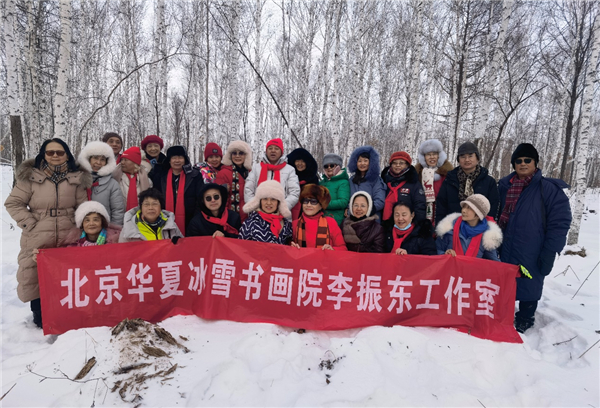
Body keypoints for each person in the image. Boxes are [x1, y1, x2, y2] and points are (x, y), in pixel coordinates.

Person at [4, 138, 91, 328]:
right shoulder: (31, 177)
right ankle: (39, 314)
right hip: (38, 234)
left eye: (60, 152)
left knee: (66, 275)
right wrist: (30, 223)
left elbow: (83, 207)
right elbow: (13, 203)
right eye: (50, 152)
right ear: (43, 155)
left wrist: (81, 228)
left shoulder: (75, 178)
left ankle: (66, 311)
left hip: (68, 234)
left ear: (67, 155)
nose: (55, 156)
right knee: (35, 273)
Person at [497, 143, 572, 333]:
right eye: (518, 161)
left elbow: (560, 222)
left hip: (533, 247)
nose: (523, 163)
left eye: (527, 160)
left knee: (529, 280)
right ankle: (503, 314)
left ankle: (525, 316)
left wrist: (551, 250)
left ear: (535, 163)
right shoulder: (504, 186)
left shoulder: (548, 189)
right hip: (504, 244)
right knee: (505, 281)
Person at [435, 141, 499, 225]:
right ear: (458, 159)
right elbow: (441, 207)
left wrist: (485, 227)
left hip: (479, 228)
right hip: (452, 226)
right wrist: (441, 228)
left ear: (477, 158)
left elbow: (493, 208)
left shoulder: (489, 182)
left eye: (470, 156)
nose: (467, 160)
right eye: (463, 156)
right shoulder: (449, 180)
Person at [150, 145, 204, 235]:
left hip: (190, 221)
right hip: (163, 220)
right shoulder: (160, 176)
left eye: (180, 157)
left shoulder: (195, 175)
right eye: (174, 158)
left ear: (185, 159)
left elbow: (200, 199)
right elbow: (155, 198)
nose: (177, 160)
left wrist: (196, 219)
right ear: (169, 160)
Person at [435, 194, 502, 261]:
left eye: (469, 208)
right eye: (464, 207)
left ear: (478, 215)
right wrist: (445, 254)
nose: (463, 210)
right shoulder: (449, 229)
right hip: (450, 267)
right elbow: (435, 251)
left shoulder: (487, 237)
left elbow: (494, 263)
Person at [245, 138, 300, 217]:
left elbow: (294, 192)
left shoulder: (289, 170)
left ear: (281, 152)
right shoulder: (256, 168)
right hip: (258, 213)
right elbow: (248, 189)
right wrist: (255, 206)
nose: (273, 151)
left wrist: (281, 207)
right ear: (266, 151)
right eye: (270, 148)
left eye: (276, 148)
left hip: (280, 215)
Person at [77, 141, 125, 225]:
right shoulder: (77, 180)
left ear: (107, 162)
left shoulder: (112, 184)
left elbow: (117, 210)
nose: (98, 162)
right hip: (80, 226)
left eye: (102, 159)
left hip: (104, 227)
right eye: (95, 158)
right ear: (88, 159)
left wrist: (114, 229)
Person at [291, 184, 346, 250]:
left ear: (321, 205)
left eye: (313, 202)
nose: (308, 205)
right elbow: (287, 248)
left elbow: (343, 248)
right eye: (305, 201)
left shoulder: (330, 222)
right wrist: (292, 247)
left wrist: (332, 249)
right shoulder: (295, 224)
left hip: (325, 257)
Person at [239, 180, 293, 244]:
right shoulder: (250, 224)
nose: (269, 203)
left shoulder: (286, 224)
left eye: (273, 199)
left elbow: (289, 245)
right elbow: (240, 246)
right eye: (265, 199)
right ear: (260, 201)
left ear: (278, 202)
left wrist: (293, 245)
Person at [414, 139, 454, 225]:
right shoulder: (417, 173)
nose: (432, 157)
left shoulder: (448, 173)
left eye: (434, 154)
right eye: (428, 154)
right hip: (422, 213)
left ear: (439, 156)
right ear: (424, 157)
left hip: (442, 213)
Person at [381, 151, 426, 225]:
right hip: (385, 224)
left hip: (406, 224)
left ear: (407, 165)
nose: (397, 165)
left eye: (401, 163)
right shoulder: (384, 181)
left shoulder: (413, 183)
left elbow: (419, 205)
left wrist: (418, 225)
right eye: (394, 163)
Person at [216, 140, 253, 223]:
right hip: (230, 218)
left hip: (248, 217)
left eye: (241, 153)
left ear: (246, 155)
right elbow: (220, 200)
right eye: (234, 153)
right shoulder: (223, 173)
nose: (237, 156)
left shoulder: (250, 173)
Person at [347, 146, 386, 220]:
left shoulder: (376, 180)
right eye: (359, 161)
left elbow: (380, 201)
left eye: (365, 161)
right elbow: (347, 198)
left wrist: (366, 211)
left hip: (371, 218)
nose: (362, 163)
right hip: (353, 217)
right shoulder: (352, 180)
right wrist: (349, 209)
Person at [112, 146, 152, 211]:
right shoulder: (116, 177)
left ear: (135, 162)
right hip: (120, 214)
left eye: (126, 160)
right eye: (122, 159)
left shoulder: (146, 180)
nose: (122, 162)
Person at [287, 148, 320, 220]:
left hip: (307, 213)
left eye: (303, 161)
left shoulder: (313, 179)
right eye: (297, 161)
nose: (300, 164)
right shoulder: (288, 177)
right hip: (288, 211)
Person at [319, 153, 350, 227]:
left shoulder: (343, 182)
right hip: (321, 217)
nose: (329, 168)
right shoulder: (321, 183)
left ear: (338, 166)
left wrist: (324, 204)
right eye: (326, 166)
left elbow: (343, 202)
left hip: (336, 219)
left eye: (332, 165)